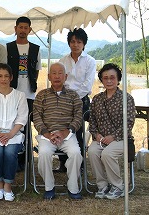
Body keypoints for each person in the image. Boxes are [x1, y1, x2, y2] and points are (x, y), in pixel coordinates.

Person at [33, 62, 83, 200]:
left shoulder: (74, 96)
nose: (57, 76)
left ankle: (73, 187)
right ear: (49, 76)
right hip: (47, 135)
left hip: (67, 135)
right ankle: (49, 187)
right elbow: (36, 117)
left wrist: (67, 131)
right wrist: (47, 134)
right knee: (43, 154)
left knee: (76, 154)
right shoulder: (41, 95)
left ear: (65, 76)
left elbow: (79, 116)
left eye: (60, 73)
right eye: (53, 73)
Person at [88, 63, 136, 200]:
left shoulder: (126, 98)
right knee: (92, 152)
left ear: (118, 79)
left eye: (112, 78)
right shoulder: (97, 99)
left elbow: (129, 122)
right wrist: (96, 135)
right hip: (101, 139)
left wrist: (113, 136)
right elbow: (92, 122)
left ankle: (118, 186)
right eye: (105, 78)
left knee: (107, 154)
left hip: (122, 139)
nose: (109, 81)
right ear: (101, 80)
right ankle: (102, 186)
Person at [0, 63, 28, 201]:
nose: (3, 79)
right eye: (0, 76)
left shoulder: (20, 95)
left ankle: (8, 185)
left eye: (6, 76)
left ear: (11, 78)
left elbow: (22, 118)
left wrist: (9, 135)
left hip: (14, 134)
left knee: (9, 152)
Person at [58, 28, 96, 172]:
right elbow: (59, 80)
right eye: (72, 41)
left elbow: (87, 85)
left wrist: (73, 97)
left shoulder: (90, 61)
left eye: (79, 42)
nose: (75, 44)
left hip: (81, 101)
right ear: (69, 43)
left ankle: (79, 164)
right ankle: (63, 162)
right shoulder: (63, 61)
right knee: (61, 128)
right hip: (63, 99)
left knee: (77, 131)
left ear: (84, 44)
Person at [6, 16, 41, 171]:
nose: (22, 30)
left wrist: (31, 86)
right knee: (13, 125)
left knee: (26, 127)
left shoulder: (35, 49)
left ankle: (25, 160)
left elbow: (37, 71)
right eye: (20, 27)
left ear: (30, 30)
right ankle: (12, 157)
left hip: (29, 95)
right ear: (15, 29)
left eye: (26, 27)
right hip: (12, 92)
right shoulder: (8, 47)